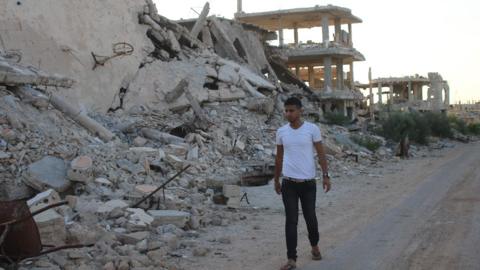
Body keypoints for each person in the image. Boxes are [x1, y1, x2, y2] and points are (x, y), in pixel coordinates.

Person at [274, 97, 331, 270]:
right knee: (291, 220)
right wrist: (276, 179)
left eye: (291, 110)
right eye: (286, 110)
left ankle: (314, 246)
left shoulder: (312, 129)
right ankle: (292, 259)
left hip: (308, 184)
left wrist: (326, 175)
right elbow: (279, 157)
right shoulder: (281, 132)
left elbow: (321, 154)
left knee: (310, 218)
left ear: (300, 111)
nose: (288, 113)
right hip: (289, 183)